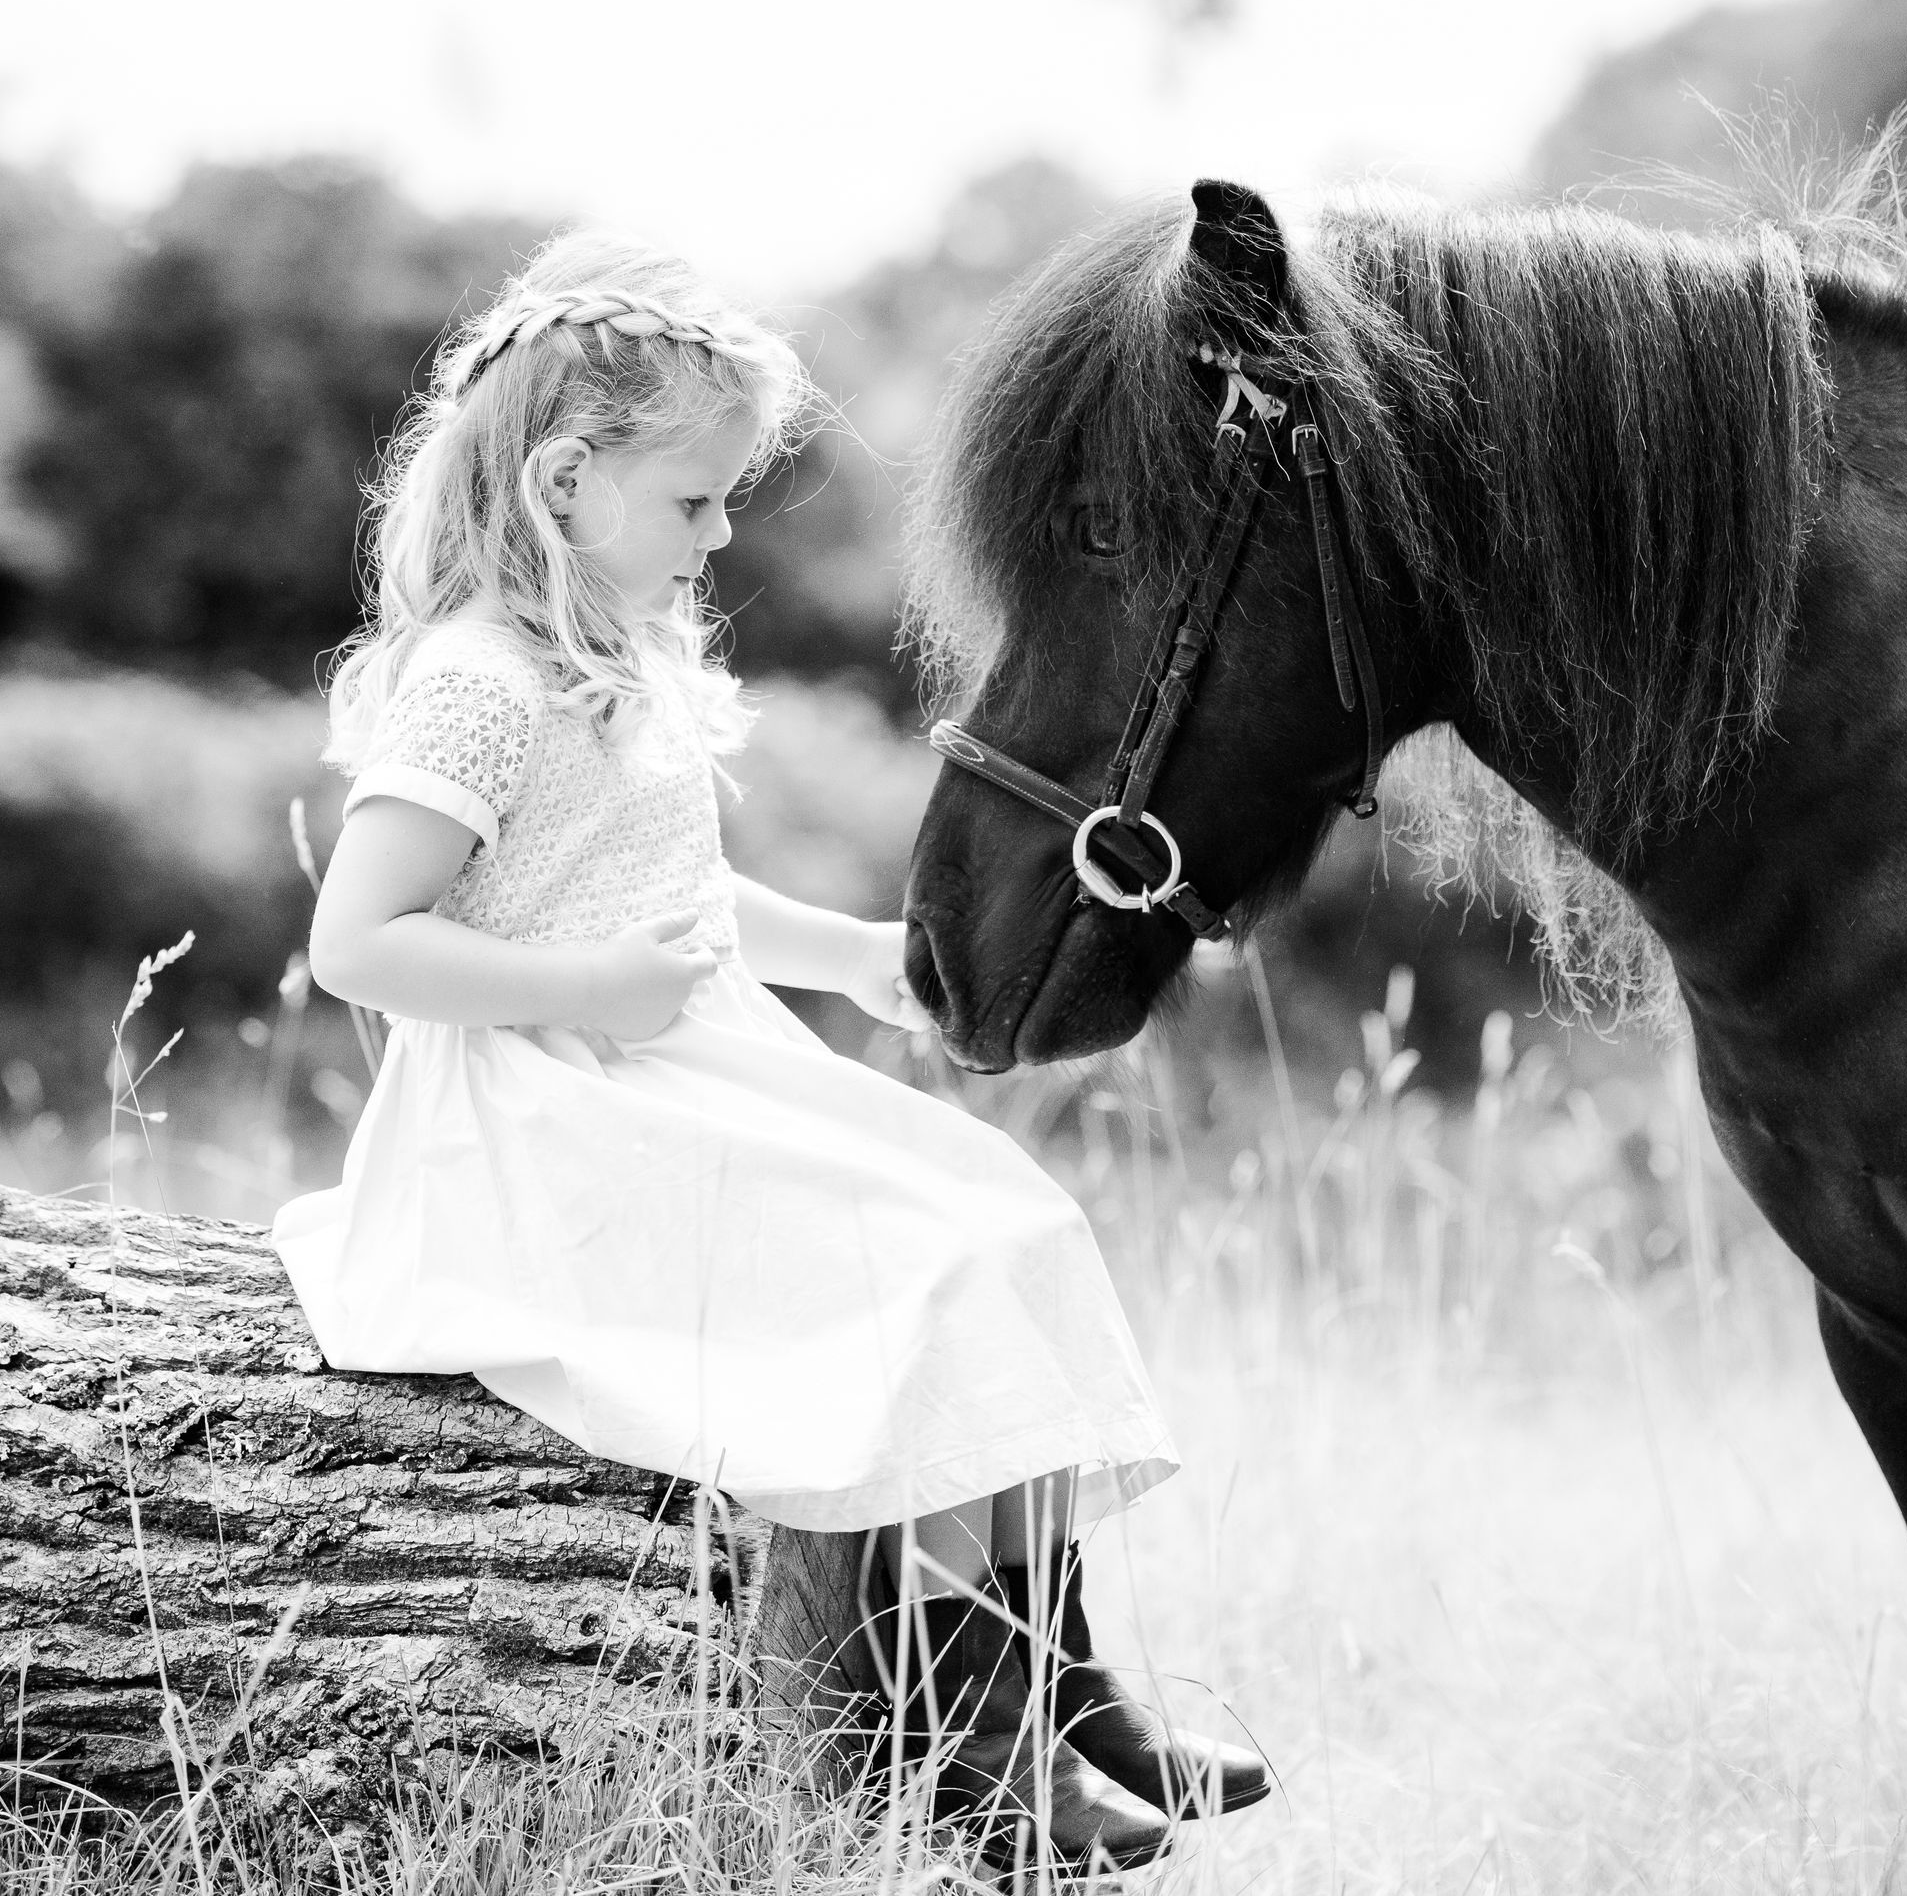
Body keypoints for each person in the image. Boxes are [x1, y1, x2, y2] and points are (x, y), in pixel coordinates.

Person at [273, 230, 1267, 1862]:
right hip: (544, 1116)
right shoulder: (473, 684)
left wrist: (859, 962)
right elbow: (359, 945)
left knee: (1006, 1220)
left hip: (673, 1063)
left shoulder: (617, 659)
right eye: (695, 500)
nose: (724, 533)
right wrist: (590, 992)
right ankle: (971, 1751)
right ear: (565, 481)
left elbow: (684, 897)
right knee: (920, 1276)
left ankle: (1070, 1683)